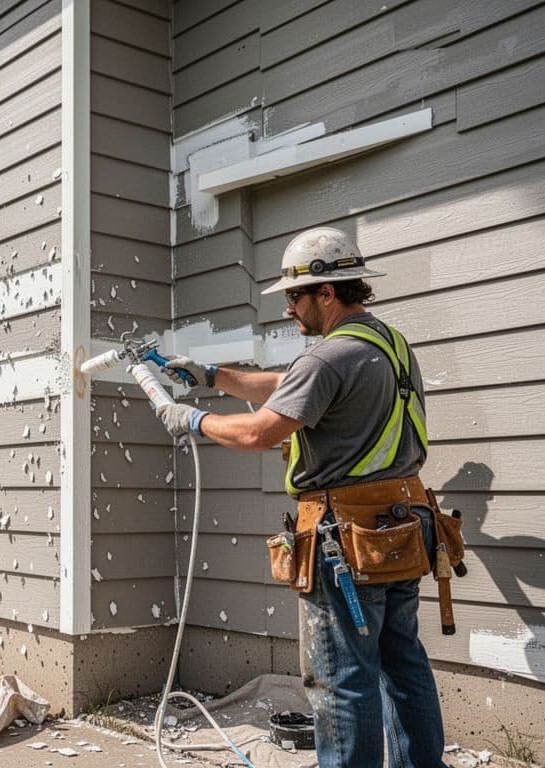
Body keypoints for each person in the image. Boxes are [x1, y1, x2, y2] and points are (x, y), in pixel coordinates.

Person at [154, 226, 447, 768]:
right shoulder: (388, 345)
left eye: (294, 296)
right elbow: (289, 384)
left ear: (327, 292)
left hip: (348, 540)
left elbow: (257, 433)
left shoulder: (328, 359)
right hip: (404, 526)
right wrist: (211, 375)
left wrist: (191, 418)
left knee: (342, 677)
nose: (289, 309)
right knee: (402, 662)